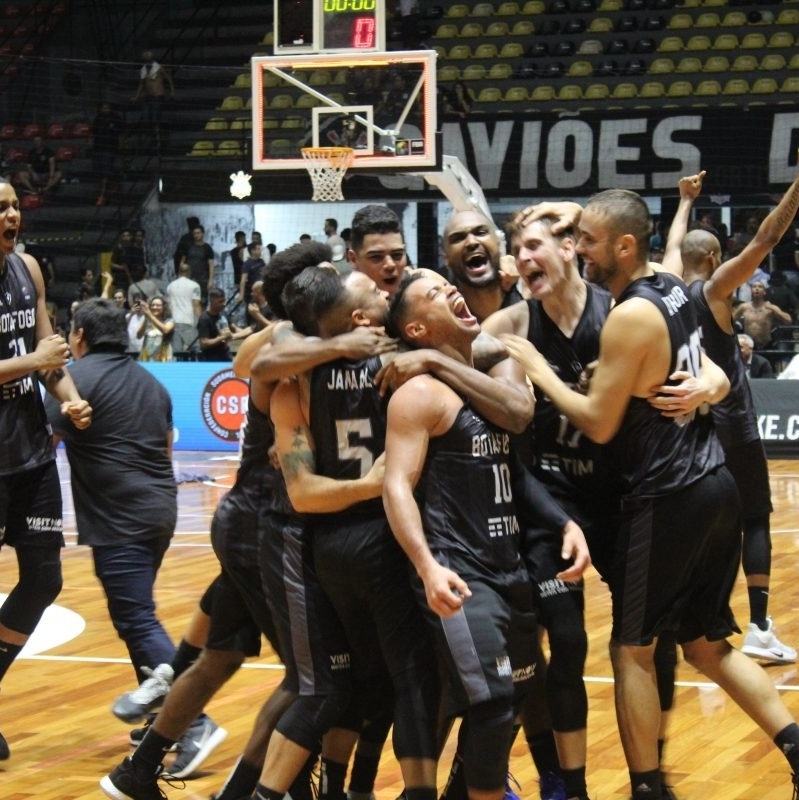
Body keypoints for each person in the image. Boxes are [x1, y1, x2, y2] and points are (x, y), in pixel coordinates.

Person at [501, 188, 799, 800]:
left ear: (623, 245)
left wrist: (537, 369)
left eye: (586, 239)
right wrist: (711, 385)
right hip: (714, 482)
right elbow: (714, 365)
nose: (579, 247)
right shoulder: (669, 283)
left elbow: (599, 421)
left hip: (667, 493)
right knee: (707, 646)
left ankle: (644, 787)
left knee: (631, 649)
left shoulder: (629, 314)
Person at [382, 272, 586, 800]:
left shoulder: (486, 382)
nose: (450, 289)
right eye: (433, 293)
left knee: (514, 697)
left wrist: (564, 522)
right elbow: (397, 486)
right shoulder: (421, 394)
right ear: (417, 327)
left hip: (509, 567)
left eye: (448, 284)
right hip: (461, 572)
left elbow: (515, 471)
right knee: (493, 702)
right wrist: (427, 566)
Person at [668, 163, 799, 665]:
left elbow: (678, 245)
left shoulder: (668, 286)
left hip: (689, 429)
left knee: (698, 524)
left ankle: (686, 617)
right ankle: (761, 626)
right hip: (733, 425)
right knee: (755, 518)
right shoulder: (716, 288)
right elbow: (766, 238)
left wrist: (683, 201)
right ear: (717, 256)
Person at [0, 178, 92, 760]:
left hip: (29, 454)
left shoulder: (27, 269)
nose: (12, 214)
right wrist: (34, 362)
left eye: (13, 205)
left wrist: (69, 394)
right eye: (0, 208)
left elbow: (48, 349)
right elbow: (33, 356)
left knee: (45, 579)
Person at [442, 209, 523, 324]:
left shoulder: (530, 296)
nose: (471, 242)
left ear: (499, 245)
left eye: (481, 233)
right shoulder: (444, 319)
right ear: (445, 258)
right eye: (458, 238)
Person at [733, 280, 792, 349]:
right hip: (749, 346)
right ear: (751, 291)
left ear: (764, 292)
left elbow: (788, 321)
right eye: (754, 287)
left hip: (766, 345)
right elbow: (730, 321)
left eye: (760, 287)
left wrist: (776, 311)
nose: (757, 288)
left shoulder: (770, 307)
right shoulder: (744, 307)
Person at [132, 50, 174, 145]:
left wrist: (172, 90)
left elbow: (168, 78)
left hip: (158, 95)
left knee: (155, 116)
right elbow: (141, 84)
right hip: (149, 96)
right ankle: (151, 136)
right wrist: (136, 96)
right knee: (146, 115)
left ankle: (157, 138)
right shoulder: (143, 70)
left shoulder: (158, 67)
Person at [197, 288, 246, 361]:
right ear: (212, 301)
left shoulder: (223, 314)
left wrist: (249, 334)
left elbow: (234, 328)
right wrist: (221, 338)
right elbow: (204, 343)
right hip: (211, 359)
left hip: (226, 356)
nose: (224, 304)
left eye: (224, 300)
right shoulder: (204, 319)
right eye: (220, 301)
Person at [166, 262, 202, 359]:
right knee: (196, 351)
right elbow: (196, 305)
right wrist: (201, 322)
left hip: (175, 322)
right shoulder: (194, 285)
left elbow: (169, 306)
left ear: (178, 272)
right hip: (189, 322)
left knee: (178, 354)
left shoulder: (170, 286)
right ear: (189, 272)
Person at [91, 101, 124, 206]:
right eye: (103, 108)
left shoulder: (116, 118)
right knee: (100, 172)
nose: (105, 109)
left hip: (110, 149)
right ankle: (110, 189)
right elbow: (94, 132)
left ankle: (102, 196)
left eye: (107, 107)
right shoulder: (98, 118)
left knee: (105, 172)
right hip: (98, 149)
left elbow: (121, 133)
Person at [180, 223, 215, 303]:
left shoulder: (207, 248)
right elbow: (182, 263)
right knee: (188, 300)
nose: (196, 235)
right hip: (189, 278)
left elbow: (211, 265)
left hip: (203, 280)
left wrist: (210, 280)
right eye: (195, 233)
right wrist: (181, 276)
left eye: (198, 233)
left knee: (202, 301)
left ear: (202, 234)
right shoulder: (188, 247)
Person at [137, 296, 174, 362]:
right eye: (152, 305)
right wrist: (146, 318)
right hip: (147, 358)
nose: (154, 307)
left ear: (164, 307)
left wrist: (150, 316)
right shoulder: (148, 320)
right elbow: (139, 335)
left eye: (158, 305)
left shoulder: (169, 321)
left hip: (163, 358)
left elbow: (165, 330)